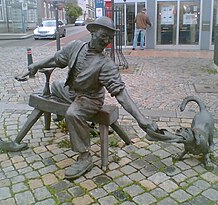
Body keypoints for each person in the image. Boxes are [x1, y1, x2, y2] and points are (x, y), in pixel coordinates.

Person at [28, 16, 158, 179]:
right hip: (73, 92)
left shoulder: (106, 64)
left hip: (91, 99)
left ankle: (84, 157)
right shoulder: (76, 47)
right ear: (92, 32)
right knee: (55, 86)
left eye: (110, 38)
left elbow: (121, 94)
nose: (107, 41)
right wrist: (36, 65)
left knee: (73, 114)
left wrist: (141, 119)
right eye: (103, 36)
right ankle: (76, 122)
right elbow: (57, 59)